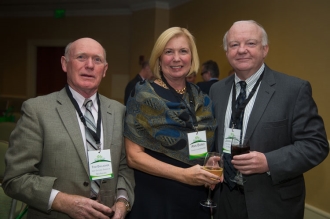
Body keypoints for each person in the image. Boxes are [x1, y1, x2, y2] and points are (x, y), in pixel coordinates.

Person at [2, 37, 135, 219]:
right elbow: (15, 179)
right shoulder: (37, 110)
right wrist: (62, 202)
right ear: (65, 64)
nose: (90, 65)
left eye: (97, 60)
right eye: (81, 57)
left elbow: (124, 168)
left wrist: (122, 201)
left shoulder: (119, 111)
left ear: (104, 70)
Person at [209, 20, 329, 219]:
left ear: (265, 49)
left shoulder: (293, 90)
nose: (242, 50)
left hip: (272, 204)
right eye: (234, 45)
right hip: (225, 201)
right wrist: (214, 159)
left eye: (250, 43)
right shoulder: (217, 90)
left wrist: (268, 162)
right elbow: (217, 136)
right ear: (227, 52)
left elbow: (316, 145)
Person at [124, 27, 219, 219]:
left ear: (192, 58)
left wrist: (207, 161)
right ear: (159, 59)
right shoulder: (143, 95)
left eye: (183, 51)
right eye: (169, 52)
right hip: (156, 200)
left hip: (196, 199)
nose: (177, 58)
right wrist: (183, 175)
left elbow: (202, 144)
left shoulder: (201, 97)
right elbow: (134, 157)